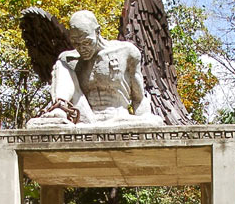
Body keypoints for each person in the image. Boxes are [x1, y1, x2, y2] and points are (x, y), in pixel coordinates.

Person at [27, 10, 163, 127]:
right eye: (76, 43)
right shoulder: (70, 60)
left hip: (118, 118)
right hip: (85, 118)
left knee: (153, 122)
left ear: (98, 32)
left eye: (87, 42)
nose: (82, 48)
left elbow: (138, 100)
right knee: (61, 63)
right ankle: (60, 109)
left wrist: (145, 120)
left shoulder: (126, 52)